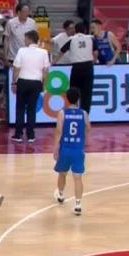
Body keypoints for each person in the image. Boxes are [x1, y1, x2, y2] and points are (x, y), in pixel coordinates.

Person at [53, 87, 90, 216]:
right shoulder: (83, 113)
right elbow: (88, 128)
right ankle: (78, 205)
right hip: (78, 149)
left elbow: (59, 131)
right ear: (78, 99)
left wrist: (55, 148)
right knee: (78, 177)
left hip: (66, 148)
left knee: (62, 173)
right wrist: (82, 139)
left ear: (67, 99)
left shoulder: (62, 113)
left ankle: (61, 194)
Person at [11, 30, 50, 143]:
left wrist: (14, 82)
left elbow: (16, 68)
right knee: (32, 109)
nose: (24, 40)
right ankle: (31, 135)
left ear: (29, 39)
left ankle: (18, 134)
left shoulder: (22, 51)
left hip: (23, 81)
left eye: (25, 38)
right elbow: (45, 71)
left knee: (20, 108)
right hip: (36, 83)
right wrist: (44, 85)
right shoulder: (44, 52)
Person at [57, 21, 95, 114]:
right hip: (88, 66)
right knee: (87, 93)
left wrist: (53, 62)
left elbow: (62, 51)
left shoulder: (72, 39)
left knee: (74, 91)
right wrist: (94, 61)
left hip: (77, 67)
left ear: (75, 30)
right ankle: (85, 114)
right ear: (85, 30)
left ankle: (73, 111)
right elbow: (96, 52)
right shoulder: (90, 39)